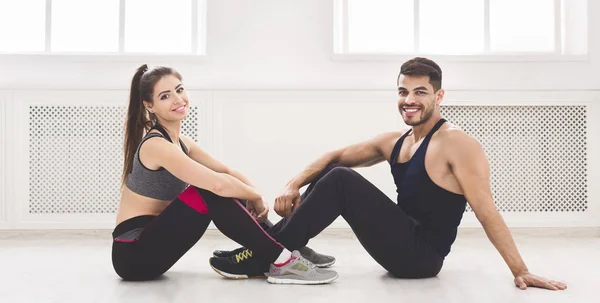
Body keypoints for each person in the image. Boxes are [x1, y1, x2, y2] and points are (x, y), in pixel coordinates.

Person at [210, 57, 567, 291]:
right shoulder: (395, 141)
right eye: (403, 91)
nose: (409, 100)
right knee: (334, 170)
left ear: (439, 95)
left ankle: (262, 254)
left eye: (420, 92)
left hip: (420, 258)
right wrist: (292, 183)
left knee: (339, 180)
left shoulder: (458, 144)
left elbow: (487, 210)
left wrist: (520, 269)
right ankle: (284, 248)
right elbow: (335, 155)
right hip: (400, 241)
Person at [111, 64, 337, 285]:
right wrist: (253, 196)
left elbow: (228, 172)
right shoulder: (155, 145)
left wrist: (252, 192)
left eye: (180, 90)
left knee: (227, 186)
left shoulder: (182, 143)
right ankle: (283, 261)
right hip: (133, 254)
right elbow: (218, 185)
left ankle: (286, 244)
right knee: (211, 190)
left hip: (155, 241)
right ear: (149, 106)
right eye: (165, 96)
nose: (178, 99)